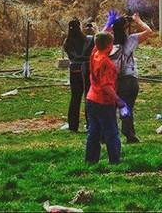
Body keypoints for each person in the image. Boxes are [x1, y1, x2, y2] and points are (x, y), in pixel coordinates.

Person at [112, 12, 153, 144]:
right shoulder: (132, 40)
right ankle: (129, 133)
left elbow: (99, 36)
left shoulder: (109, 42)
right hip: (129, 79)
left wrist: (112, 23)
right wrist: (137, 20)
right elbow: (148, 31)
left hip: (114, 80)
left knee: (111, 108)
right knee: (127, 107)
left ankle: (107, 134)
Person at [85, 31, 123, 165]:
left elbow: (98, 42)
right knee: (111, 132)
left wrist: (107, 26)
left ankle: (91, 160)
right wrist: (118, 100)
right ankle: (114, 160)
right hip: (104, 101)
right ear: (109, 45)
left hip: (91, 98)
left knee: (93, 132)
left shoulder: (95, 54)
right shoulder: (107, 63)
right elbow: (106, 85)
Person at [63, 19, 92, 132]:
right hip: (86, 69)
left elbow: (72, 57)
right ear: (79, 27)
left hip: (74, 70)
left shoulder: (67, 42)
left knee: (75, 98)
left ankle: (73, 125)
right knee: (87, 98)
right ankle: (89, 124)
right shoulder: (87, 39)